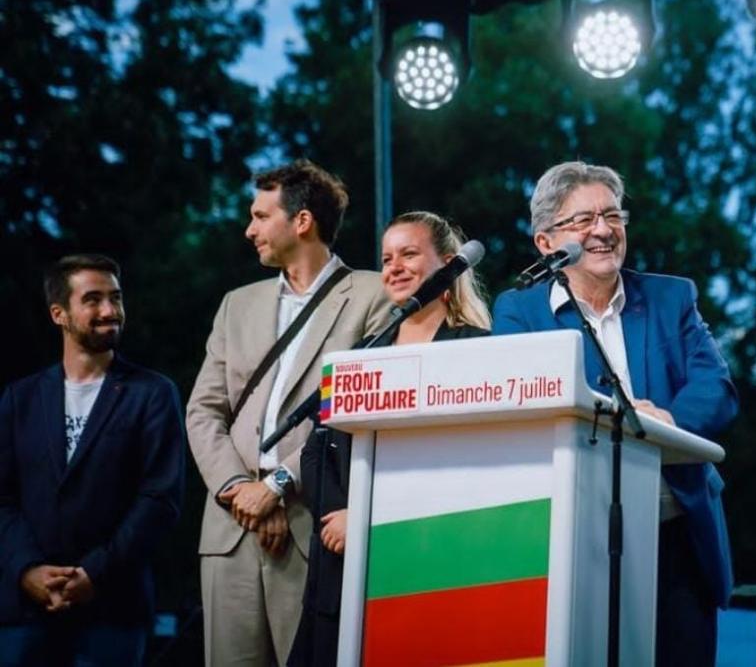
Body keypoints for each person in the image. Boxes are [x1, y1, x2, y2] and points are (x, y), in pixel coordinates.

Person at [491, 161, 737, 666]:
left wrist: (665, 422)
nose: (602, 231)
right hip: (573, 541)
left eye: (612, 215)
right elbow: (520, 409)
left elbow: (716, 387)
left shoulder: (672, 297)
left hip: (674, 535)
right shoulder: (518, 311)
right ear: (545, 243)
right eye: (583, 221)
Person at [186, 160, 392, 666]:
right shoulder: (237, 304)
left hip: (310, 525)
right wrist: (239, 490)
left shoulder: (373, 294)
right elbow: (203, 411)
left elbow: (359, 409)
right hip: (229, 533)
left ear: (301, 222)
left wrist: (276, 485)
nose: (249, 229)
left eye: (260, 216)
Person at [288, 211, 491, 667]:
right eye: (386, 258)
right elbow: (317, 449)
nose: (394, 267)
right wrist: (337, 518)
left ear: (448, 263)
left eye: (409, 254)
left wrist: (368, 519)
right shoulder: (363, 355)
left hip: (426, 564)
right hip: (340, 572)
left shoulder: (476, 350)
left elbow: (468, 464)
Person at [0, 254, 185, 666]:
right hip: (24, 612)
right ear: (59, 313)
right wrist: (26, 570)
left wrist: (94, 572)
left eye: (116, 298)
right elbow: (2, 500)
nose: (109, 311)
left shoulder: (153, 393)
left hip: (113, 612)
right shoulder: (20, 398)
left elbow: (160, 499)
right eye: (93, 299)